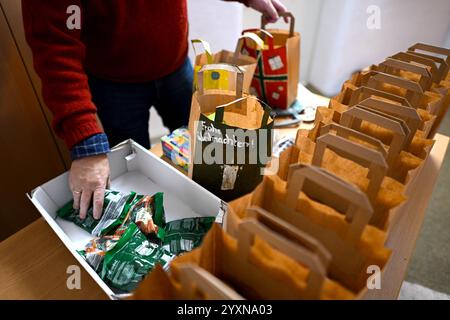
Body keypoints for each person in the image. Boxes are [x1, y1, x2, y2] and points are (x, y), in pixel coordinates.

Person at [22, 0, 287, 220]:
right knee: (139, 182)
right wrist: (85, 142)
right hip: (114, 85)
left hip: (176, 64)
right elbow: (54, 48)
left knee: (207, 154)